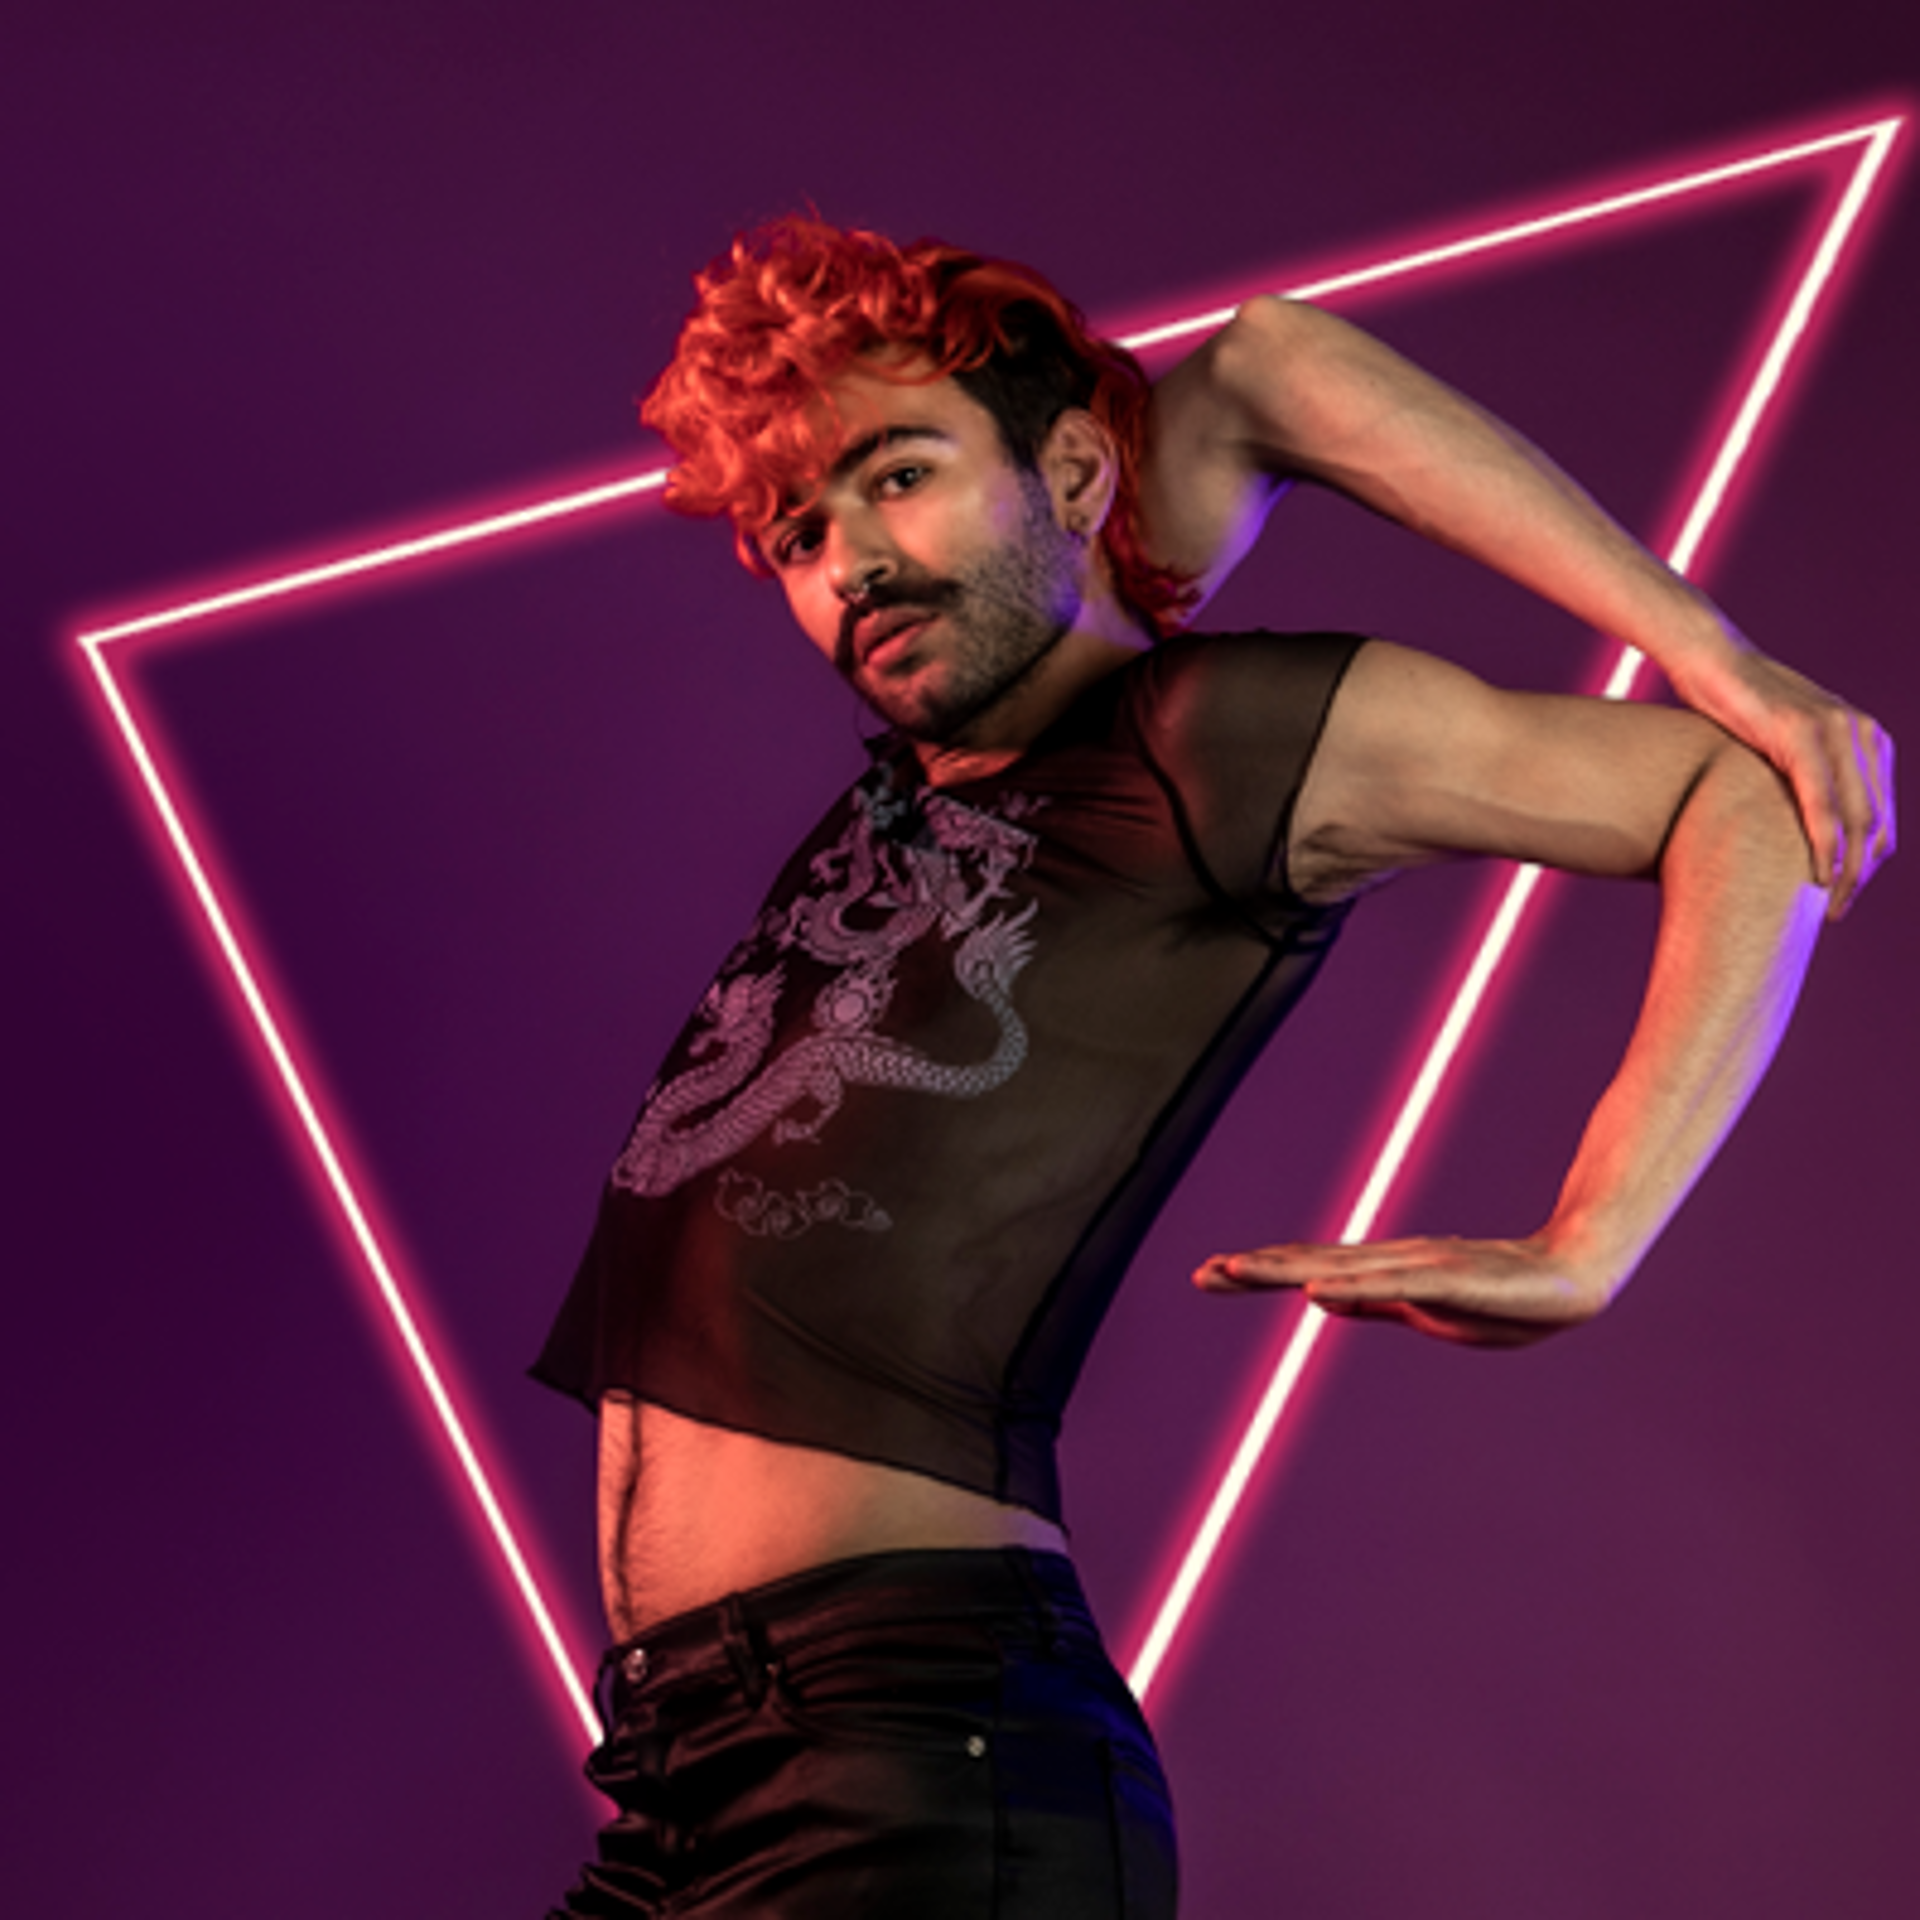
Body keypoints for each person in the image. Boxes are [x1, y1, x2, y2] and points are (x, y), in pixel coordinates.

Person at [534, 217, 1894, 1917]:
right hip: (689, 1773)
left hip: (922, 1763)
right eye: (798, 532)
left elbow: (1745, 793)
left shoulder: (1198, 746)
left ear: (1087, 467)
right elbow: (1251, 387)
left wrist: (1589, 1231)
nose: (852, 561)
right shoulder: (944, 766)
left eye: (898, 476)